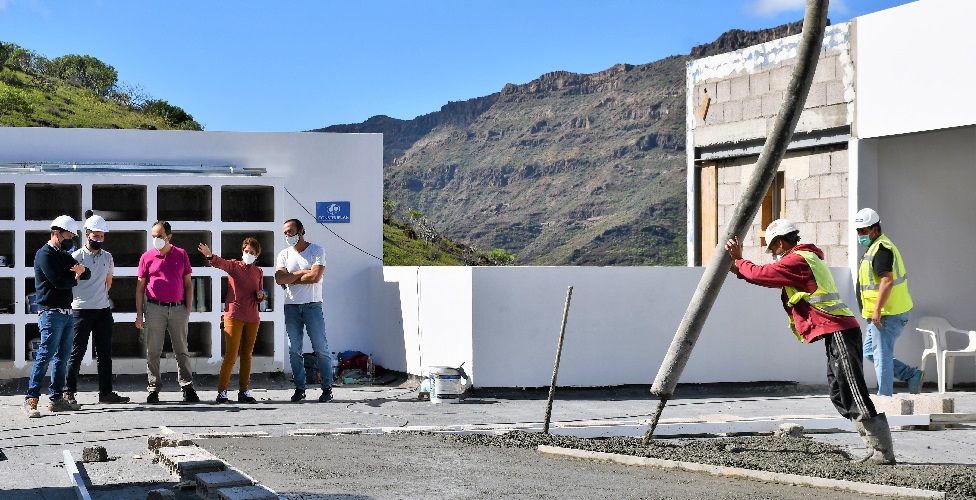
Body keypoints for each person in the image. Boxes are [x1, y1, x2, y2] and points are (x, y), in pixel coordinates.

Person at [725, 219, 895, 465]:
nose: (773, 254)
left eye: (772, 249)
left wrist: (739, 260)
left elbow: (763, 274)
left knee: (852, 391)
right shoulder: (804, 258)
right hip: (836, 332)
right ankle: (874, 448)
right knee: (838, 393)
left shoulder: (798, 260)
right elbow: (765, 277)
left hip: (840, 330)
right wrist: (739, 268)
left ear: (780, 243)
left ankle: (881, 452)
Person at [24, 215, 90, 418]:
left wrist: (81, 271)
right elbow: (59, 282)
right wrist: (76, 275)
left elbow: (86, 273)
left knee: (63, 358)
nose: (70, 240)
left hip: (67, 312)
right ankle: (31, 398)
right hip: (51, 312)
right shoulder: (44, 255)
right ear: (56, 233)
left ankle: (56, 398)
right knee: (45, 355)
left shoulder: (63, 254)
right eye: (68, 236)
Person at [854, 208, 923, 396]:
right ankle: (911, 375)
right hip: (881, 314)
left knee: (881, 355)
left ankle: (884, 398)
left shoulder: (882, 249)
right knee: (870, 352)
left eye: (863, 231)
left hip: (887, 313)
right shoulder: (874, 247)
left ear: (875, 229)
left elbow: (887, 281)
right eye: (858, 231)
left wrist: (877, 310)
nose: (860, 235)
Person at [65, 215, 130, 405]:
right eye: (96, 236)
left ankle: (106, 393)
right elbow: (69, 283)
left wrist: (99, 298)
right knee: (76, 352)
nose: (99, 239)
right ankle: (69, 392)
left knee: (104, 354)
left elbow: (108, 283)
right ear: (87, 235)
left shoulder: (108, 257)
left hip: (102, 311)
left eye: (102, 236)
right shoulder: (76, 257)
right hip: (81, 310)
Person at [135, 221, 199, 403]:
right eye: (153, 236)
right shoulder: (146, 257)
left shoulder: (181, 254)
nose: (156, 239)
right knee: (153, 350)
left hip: (178, 309)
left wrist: (187, 308)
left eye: (160, 236)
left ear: (169, 237)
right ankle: (153, 388)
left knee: (182, 350)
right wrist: (139, 314)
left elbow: (188, 283)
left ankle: (187, 386)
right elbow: (140, 287)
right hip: (154, 308)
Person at [198, 238, 265, 404]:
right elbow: (220, 263)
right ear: (242, 251)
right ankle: (222, 392)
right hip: (234, 315)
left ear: (257, 255)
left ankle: (244, 391)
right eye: (246, 251)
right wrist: (210, 256)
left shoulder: (258, 272)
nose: (248, 254)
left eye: (252, 252)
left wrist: (260, 296)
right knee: (231, 355)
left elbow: (260, 294)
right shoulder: (235, 266)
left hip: (252, 317)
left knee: (247, 356)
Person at [275, 218, 333, 403]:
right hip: (291, 306)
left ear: (301, 231)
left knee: (321, 348)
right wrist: (301, 273)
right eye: (285, 232)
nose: (287, 235)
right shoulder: (283, 254)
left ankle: (327, 388)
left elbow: (315, 277)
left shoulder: (317, 250)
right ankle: (299, 388)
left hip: (312, 305)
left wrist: (291, 278)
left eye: (290, 231)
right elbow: (279, 279)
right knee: (294, 350)